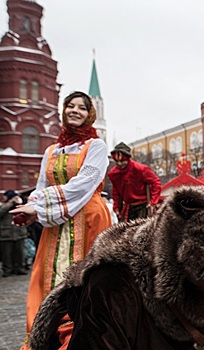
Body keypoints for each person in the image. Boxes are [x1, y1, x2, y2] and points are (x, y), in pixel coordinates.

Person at [9, 91, 112, 346]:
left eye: (82, 108)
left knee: (85, 278)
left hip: (88, 217)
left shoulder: (95, 147)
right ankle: (47, 334)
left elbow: (83, 184)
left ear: (90, 115)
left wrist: (40, 208)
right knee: (47, 275)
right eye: (70, 106)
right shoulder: (52, 150)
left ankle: (81, 337)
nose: (75, 111)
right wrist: (30, 207)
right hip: (56, 224)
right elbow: (41, 185)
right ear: (63, 110)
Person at [107, 142, 162, 222]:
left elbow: (156, 182)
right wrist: (116, 207)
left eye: (122, 161)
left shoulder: (140, 169)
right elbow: (116, 192)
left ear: (127, 159)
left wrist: (153, 202)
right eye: (117, 161)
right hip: (128, 207)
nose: (119, 164)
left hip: (143, 206)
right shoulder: (113, 173)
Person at [0, 190, 28, 277]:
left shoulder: (20, 206)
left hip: (19, 233)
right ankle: (7, 270)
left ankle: (19, 268)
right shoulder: (3, 205)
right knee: (6, 254)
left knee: (20, 253)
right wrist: (9, 204)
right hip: (6, 234)